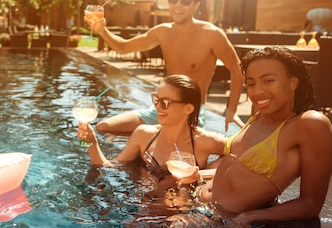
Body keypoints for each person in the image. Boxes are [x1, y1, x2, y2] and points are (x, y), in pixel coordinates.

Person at [196, 46, 332, 226]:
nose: (257, 92)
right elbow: (238, 168)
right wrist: (198, 175)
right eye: (251, 83)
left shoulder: (310, 124)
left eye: (268, 80)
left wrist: (251, 217)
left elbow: (311, 204)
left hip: (221, 222)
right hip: (199, 202)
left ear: (294, 82)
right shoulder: (259, 116)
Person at [85, 0, 244, 134]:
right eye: (173, 0)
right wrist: (102, 31)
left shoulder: (212, 35)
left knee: (159, 138)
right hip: (162, 108)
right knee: (104, 126)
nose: (178, 5)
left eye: (185, 1)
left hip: (190, 112)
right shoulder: (162, 32)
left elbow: (237, 70)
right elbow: (124, 48)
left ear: (197, 5)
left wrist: (231, 110)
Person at [78, 74, 225, 184]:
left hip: (185, 210)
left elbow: (241, 155)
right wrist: (92, 143)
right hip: (145, 203)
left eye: (165, 102)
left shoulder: (205, 141)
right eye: (156, 99)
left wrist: (205, 174)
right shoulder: (144, 134)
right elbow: (109, 167)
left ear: (188, 108)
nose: (157, 107)